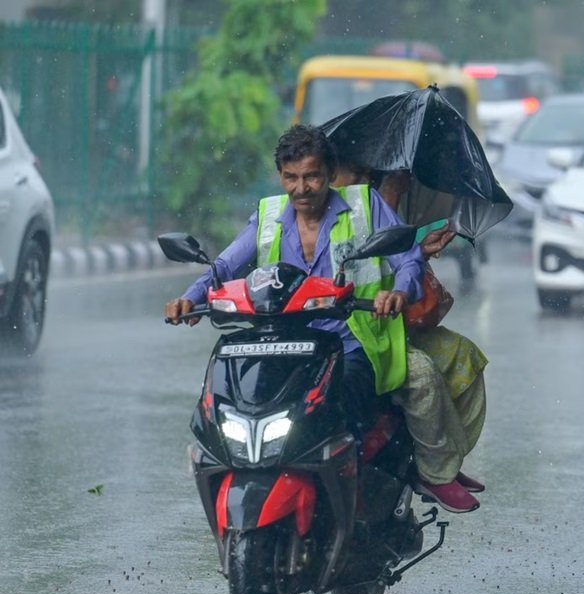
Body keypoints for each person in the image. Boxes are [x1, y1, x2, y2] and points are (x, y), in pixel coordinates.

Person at [164, 124, 422, 450]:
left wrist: (398, 292)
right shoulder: (268, 216)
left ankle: (350, 470)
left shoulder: (365, 205)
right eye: (291, 177)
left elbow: (408, 259)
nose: (301, 189)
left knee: (341, 402)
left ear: (330, 173)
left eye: (311, 176)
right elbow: (224, 266)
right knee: (234, 397)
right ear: (280, 176)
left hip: (351, 343)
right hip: (280, 344)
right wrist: (190, 297)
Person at [332, 165, 487, 512]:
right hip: (355, 332)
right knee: (422, 375)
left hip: (389, 323)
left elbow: (395, 262)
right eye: (355, 176)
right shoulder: (337, 208)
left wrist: (417, 251)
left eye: (366, 178)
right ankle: (435, 469)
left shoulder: (374, 203)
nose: (362, 184)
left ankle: (441, 461)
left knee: (463, 355)